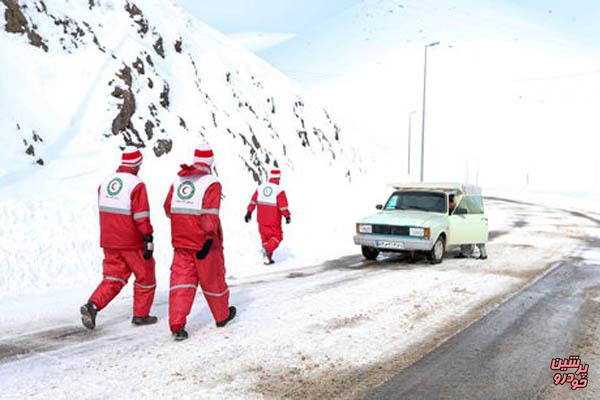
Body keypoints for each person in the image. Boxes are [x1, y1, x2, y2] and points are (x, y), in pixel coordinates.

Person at [164, 144, 236, 341]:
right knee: (213, 280)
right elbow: (210, 215)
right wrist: (207, 237)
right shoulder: (211, 183)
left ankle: (177, 326)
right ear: (211, 162)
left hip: (181, 243)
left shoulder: (179, 180)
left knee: (181, 284)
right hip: (205, 244)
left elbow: (168, 209)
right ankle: (222, 317)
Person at [81, 146, 157, 330]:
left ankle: (92, 305)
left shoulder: (105, 183)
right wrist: (148, 236)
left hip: (109, 240)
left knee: (114, 277)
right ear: (137, 164)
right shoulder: (137, 185)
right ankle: (141, 315)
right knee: (145, 276)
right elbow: (141, 215)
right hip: (131, 241)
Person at [245, 169, 291, 265]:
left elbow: (253, 200)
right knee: (278, 237)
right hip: (273, 220)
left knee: (265, 239)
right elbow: (283, 206)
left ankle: (267, 258)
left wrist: (249, 212)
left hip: (261, 220)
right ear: (279, 177)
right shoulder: (279, 190)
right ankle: (267, 249)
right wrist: (287, 216)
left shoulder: (260, 188)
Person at [449, 194, 488, 260]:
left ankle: (483, 254)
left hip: (474, 219)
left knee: (477, 237)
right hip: (468, 221)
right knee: (465, 236)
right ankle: (465, 253)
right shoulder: (457, 203)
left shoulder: (463, 202)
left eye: (449, 203)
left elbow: (464, 211)